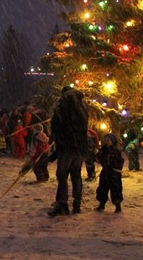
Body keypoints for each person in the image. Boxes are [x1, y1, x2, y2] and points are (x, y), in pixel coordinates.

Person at [47, 87, 88, 217]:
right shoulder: (82, 110)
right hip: (79, 148)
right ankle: (77, 204)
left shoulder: (62, 109)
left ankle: (63, 204)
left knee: (62, 176)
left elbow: (56, 127)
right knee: (76, 176)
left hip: (66, 148)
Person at [95, 133, 124, 213]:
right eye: (105, 140)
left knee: (116, 190)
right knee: (102, 189)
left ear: (112, 141)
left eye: (108, 140)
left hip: (114, 173)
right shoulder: (104, 149)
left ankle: (118, 206)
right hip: (105, 172)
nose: (106, 142)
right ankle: (102, 204)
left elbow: (118, 162)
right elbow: (98, 158)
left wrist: (115, 169)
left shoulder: (116, 150)